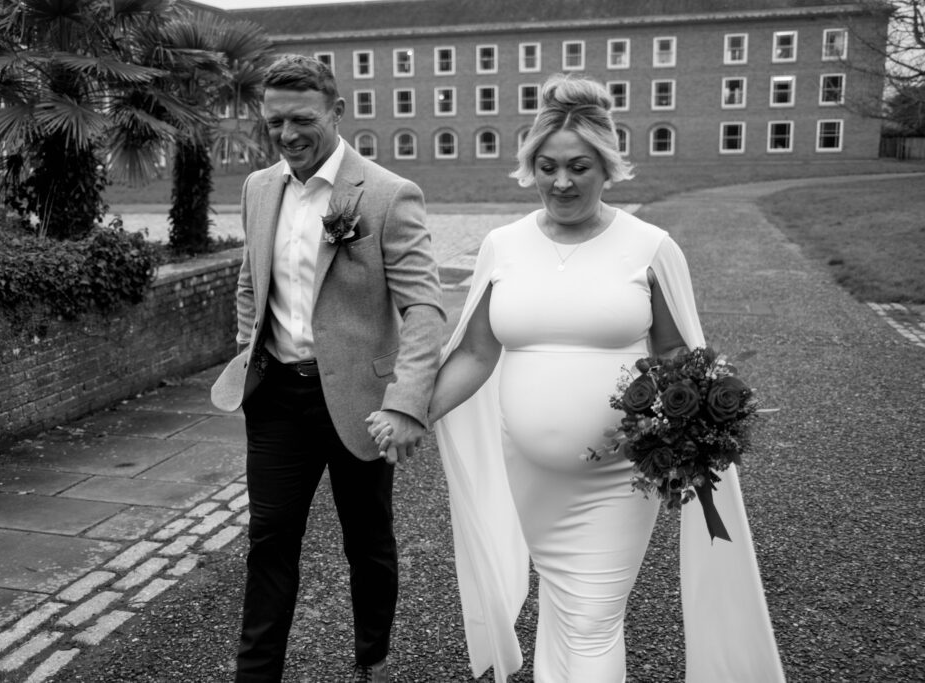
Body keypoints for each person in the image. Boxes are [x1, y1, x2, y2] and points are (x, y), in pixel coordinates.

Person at [370, 74, 786, 682]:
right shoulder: (503, 245)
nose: (561, 182)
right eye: (546, 166)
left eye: (579, 167)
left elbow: (676, 352)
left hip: (619, 476)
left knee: (593, 618)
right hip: (532, 472)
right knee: (565, 605)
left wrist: (688, 434)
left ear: (607, 167)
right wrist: (413, 412)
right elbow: (476, 354)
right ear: (529, 167)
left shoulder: (649, 246)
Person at [210, 54, 445, 683]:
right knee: (268, 543)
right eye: (275, 121)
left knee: (366, 543)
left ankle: (373, 658)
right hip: (277, 400)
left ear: (337, 111)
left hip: (360, 404)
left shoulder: (389, 195)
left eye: (303, 119)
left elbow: (424, 309)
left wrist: (405, 402)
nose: (287, 135)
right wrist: (247, 350)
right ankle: (255, 675)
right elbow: (249, 280)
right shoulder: (260, 188)